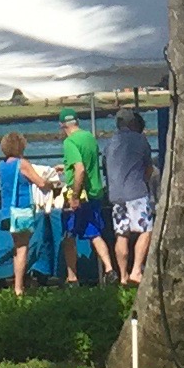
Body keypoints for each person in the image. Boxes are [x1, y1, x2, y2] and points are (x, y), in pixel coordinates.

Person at [0, 129, 60, 295]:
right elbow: (40, 183)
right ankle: (19, 287)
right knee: (23, 248)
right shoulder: (22, 164)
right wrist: (53, 182)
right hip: (22, 210)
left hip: (7, 211)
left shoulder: (2, 166)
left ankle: (17, 283)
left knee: (16, 247)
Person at [53, 106, 110, 285]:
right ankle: (109, 268)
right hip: (95, 192)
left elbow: (80, 169)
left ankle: (72, 278)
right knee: (95, 234)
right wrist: (65, 167)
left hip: (80, 194)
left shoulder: (69, 142)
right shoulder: (90, 137)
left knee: (69, 236)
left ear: (62, 125)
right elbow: (87, 163)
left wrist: (75, 196)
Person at [101, 108, 158, 284]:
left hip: (116, 195)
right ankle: (136, 270)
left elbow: (105, 168)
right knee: (146, 230)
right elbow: (149, 168)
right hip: (136, 192)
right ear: (133, 122)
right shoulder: (140, 140)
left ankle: (123, 276)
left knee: (122, 234)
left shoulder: (109, 143)